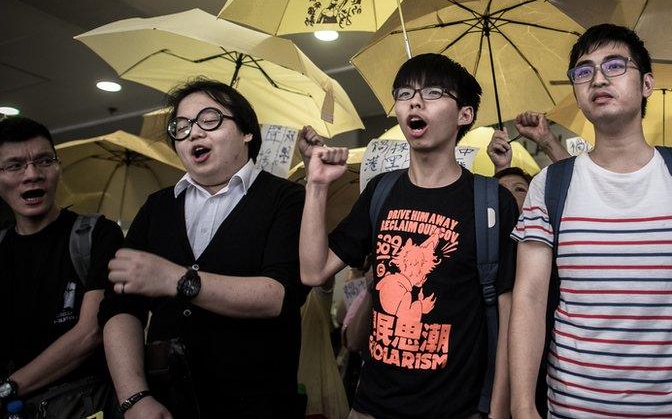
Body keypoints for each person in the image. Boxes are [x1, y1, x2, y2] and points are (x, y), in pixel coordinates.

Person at [509, 24, 672, 418]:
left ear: (647, 84)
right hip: (577, 408)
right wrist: (522, 404)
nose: (597, 78)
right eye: (583, 71)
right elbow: (528, 297)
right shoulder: (551, 184)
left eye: (614, 65)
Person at [297, 53, 519, 419]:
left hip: (455, 409)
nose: (414, 101)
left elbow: (509, 314)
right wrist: (317, 184)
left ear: (465, 114)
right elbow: (312, 271)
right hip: (370, 405)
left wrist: (496, 411)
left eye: (433, 92)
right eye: (404, 93)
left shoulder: (492, 202)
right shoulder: (381, 192)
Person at [98, 79, 308, 418]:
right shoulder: (158, 208)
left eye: (210, 121)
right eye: (181, 127)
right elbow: (119, 305)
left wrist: (178, 280)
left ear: (246, 133)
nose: (193, 133)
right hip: (165, 403)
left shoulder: (287, 198)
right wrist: (134, 398)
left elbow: (279, 296)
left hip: (256, 405)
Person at [0, 117, 123, 418]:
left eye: (44, 160)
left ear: (58, 167)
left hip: (85, 405)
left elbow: (89, 332)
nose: (32, 175)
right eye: (15, 165)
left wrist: (9, 387)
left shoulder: (97, 235)